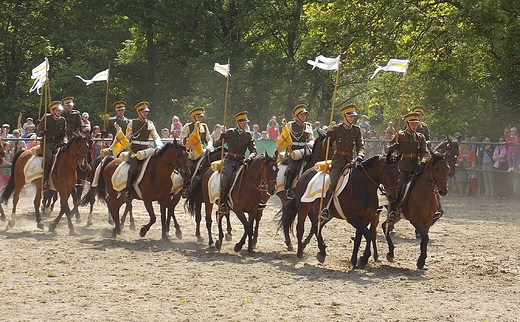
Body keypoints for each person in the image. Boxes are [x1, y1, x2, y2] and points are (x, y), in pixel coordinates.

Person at [320, 103, 365, 219]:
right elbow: (326, 147)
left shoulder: (356, 130)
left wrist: (360, 155)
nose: (352, 118)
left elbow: (361, 145)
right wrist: (327, 137)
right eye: (349, 116)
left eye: (353, 116)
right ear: (344, 116)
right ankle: (326, 208)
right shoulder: (336, 129)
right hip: (338, 161)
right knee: (333, 181)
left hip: (351, 161)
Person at [387, 112, 429, 222]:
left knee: (427, 187)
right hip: (402, 167)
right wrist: (392, 147)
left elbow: (425, 152)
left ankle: (433, 209)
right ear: (407, 123)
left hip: (416, 168)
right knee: (399, 188)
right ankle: (393, 211)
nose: (415, 126)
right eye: (413, 124)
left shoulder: (420, 137)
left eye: (416, 124)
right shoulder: (399, 135)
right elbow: (387, 147)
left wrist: (423, 162)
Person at [214, 111, 257, 214]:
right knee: (227, 178)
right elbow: (216, 145)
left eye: (245, 122)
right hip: (230, 160)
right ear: (237, 123)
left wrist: (250, 157)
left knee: (252, 178)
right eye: (242, 122)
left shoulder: (248, 135)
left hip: (242, 161)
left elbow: (253, 150)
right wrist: (221, 138)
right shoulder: (229, 132)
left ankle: (255, 201)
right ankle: (223, 203)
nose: (244, 124)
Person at [124, 101, 163, 200]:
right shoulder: (131, 123)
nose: (146, 113)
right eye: (143, 111)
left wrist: (159, 145)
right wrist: (126, 145)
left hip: (146, 150)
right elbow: (127, 137)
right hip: (134, 151)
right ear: (138, 112)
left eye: (146, 111)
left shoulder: (150, 123)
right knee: (134, 168)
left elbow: (155, 136)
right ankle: (128, 190)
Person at [283, 104, 313, 199]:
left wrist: (311, 143)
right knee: (293, 167)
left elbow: (311, 138)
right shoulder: (290, 125)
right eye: (302, 115)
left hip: (306, 150)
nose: (304, 116)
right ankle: (287, 188)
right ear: (297, 116)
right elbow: (284, 139)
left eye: (305, 115)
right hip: (294, 151)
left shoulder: (308, 125)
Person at [37, 101, 67, 189]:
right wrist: (43, 132)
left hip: (58, 143)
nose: (59, 112)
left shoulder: (62, 120)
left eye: (60, 110)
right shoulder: (46, 118)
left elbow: (64, 134)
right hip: (47, 142)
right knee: (49, 158)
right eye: (57, 110)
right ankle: (45, 180)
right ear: (53, 111)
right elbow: (38, 132)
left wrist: (65, 141)